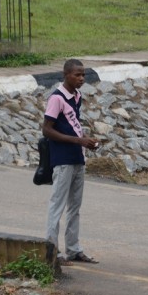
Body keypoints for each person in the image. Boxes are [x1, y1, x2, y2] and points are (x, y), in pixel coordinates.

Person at [43, 59, 100, 265]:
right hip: (63, 159)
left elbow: (73, 126)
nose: (81, 78)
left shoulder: (77, 96)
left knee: (75, 207)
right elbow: (47, 129)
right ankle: (52, 251)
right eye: (77, 75)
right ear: (66, 75)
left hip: (78, 157)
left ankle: (73, 249)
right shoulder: (57, 98)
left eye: (83, 75)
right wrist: (78, 141)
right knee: (57, 206)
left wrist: (87, 141)